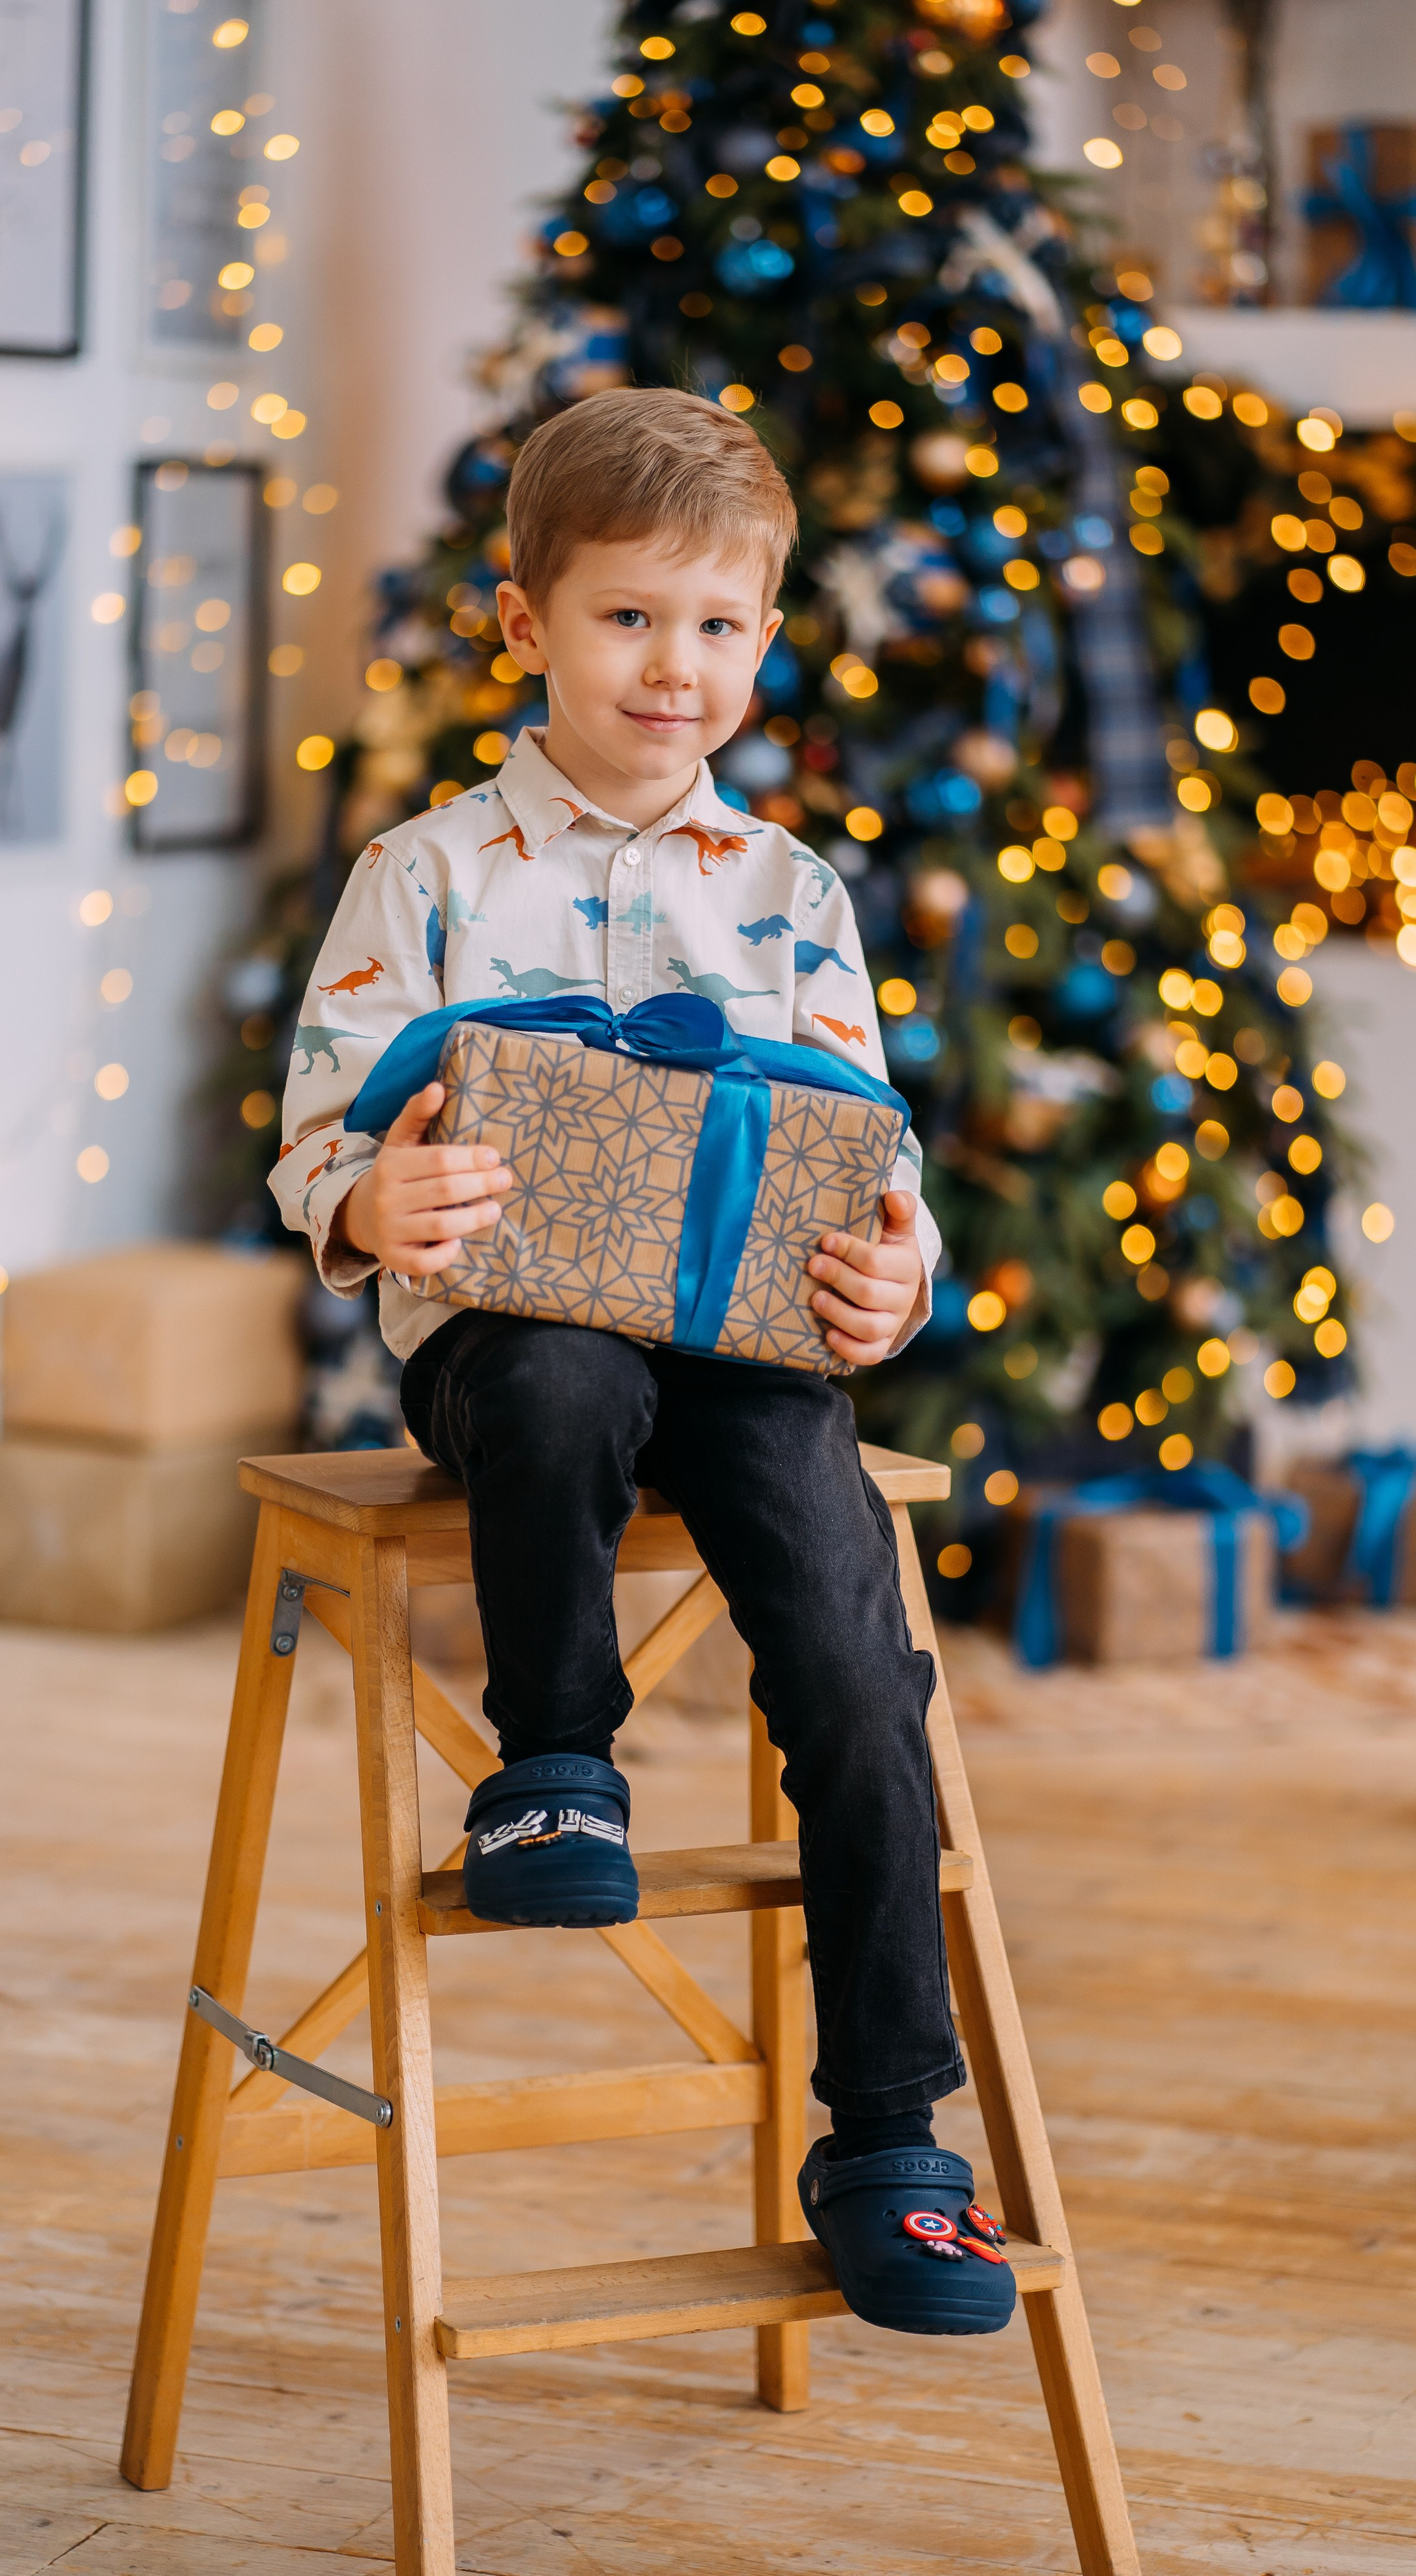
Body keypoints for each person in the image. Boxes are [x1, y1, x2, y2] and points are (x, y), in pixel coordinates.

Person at [272, 387, 1014, 2335]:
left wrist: (898, 1277)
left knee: (857, 1657)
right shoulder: (425, 875)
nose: (673, 669)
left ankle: (890, 2134)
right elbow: (320, 1131)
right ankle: (555, 1767)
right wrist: (369, 1209)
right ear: (527, 626)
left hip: (753, 1349)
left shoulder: (796, 895)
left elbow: (875, 1149)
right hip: (510, 1339)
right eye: (626, 621)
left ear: (763, 640)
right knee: (558, 1381)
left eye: (717, 627)